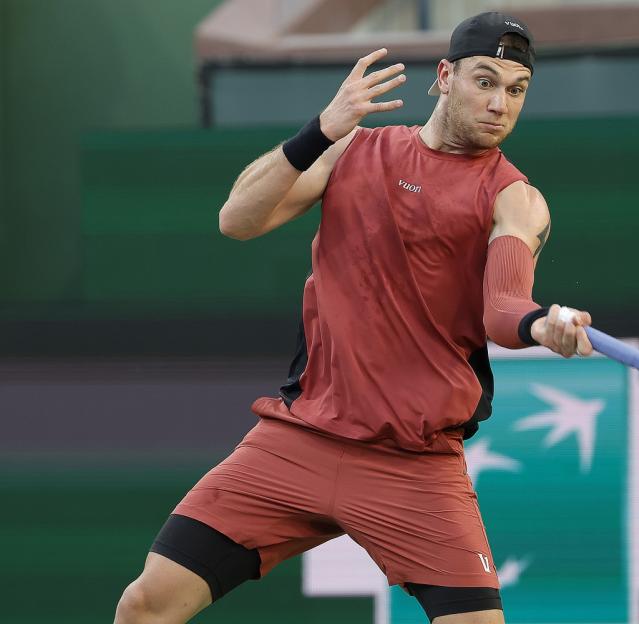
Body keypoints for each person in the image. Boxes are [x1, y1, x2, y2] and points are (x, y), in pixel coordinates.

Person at [114, 12, 592, 624]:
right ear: (444, 76)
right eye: (485, 81)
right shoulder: (353, 150)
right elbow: (237, 219)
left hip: (414, 466)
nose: (500, 104)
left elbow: (503, 311)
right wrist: (320, 130)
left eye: (516, 89)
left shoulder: (515, 199)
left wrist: (539, 326)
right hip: (297, 442)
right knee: (146, 605)